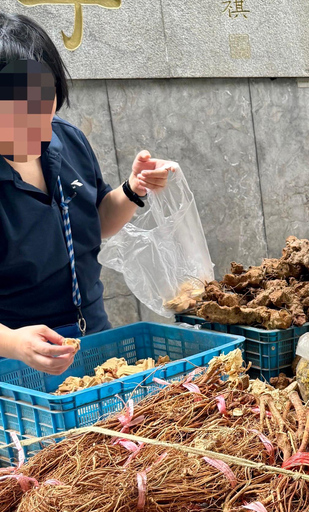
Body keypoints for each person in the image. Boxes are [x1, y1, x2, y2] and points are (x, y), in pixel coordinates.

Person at [0, 14, 177, 375]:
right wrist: (14, 344)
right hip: (16, 358)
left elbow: (96, 222)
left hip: (92, 333)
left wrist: (133, 188)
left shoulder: (68, 140)